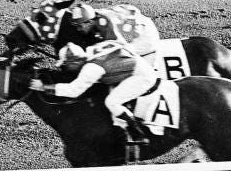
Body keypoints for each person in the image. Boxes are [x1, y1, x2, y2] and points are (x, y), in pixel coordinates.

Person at [28, 41, 157, 148]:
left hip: (142, 77)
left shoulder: (91, 68)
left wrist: (44, 87)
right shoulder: (91, 49)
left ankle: (138, 133)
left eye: (66, 66)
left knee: (111, 102)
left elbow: (74, 90)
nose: (65, 69)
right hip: (136, 65)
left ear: (75, 62)